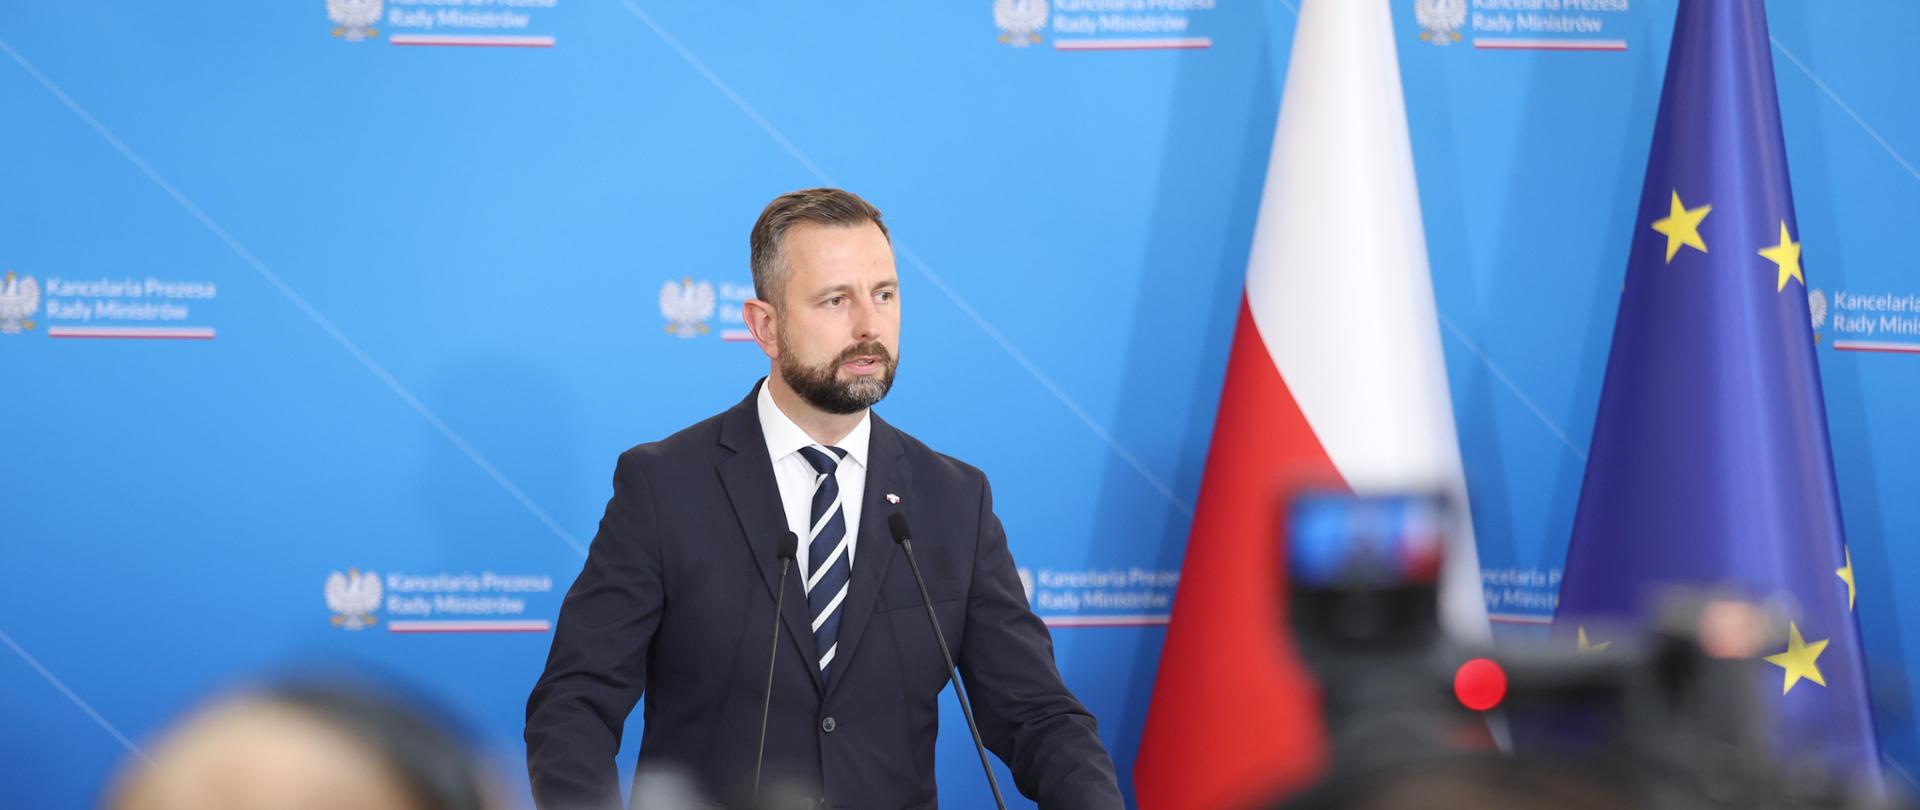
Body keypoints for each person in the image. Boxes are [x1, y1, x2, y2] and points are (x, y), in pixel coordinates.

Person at [525, 188, 1122, 810]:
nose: (869, 326)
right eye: (836, 300)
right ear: (765, 326)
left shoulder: (954, 500)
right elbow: (575, 703)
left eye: (884, 295)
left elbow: (1038, 716)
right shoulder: (664, 486)